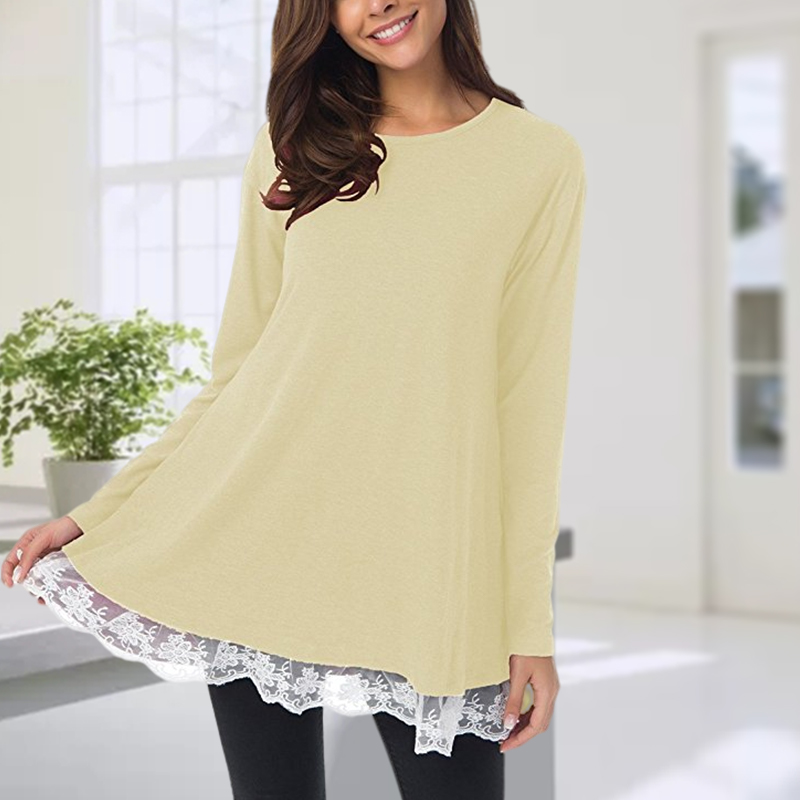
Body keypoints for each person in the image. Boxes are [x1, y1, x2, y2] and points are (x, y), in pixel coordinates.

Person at [2, 0, 587, 797]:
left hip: (428, 568)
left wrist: (529, 628)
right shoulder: (294, 146)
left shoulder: (537, 160)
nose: (377, 4)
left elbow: (527, 411)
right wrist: (97, 515)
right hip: (260, 547)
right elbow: (239, 374)